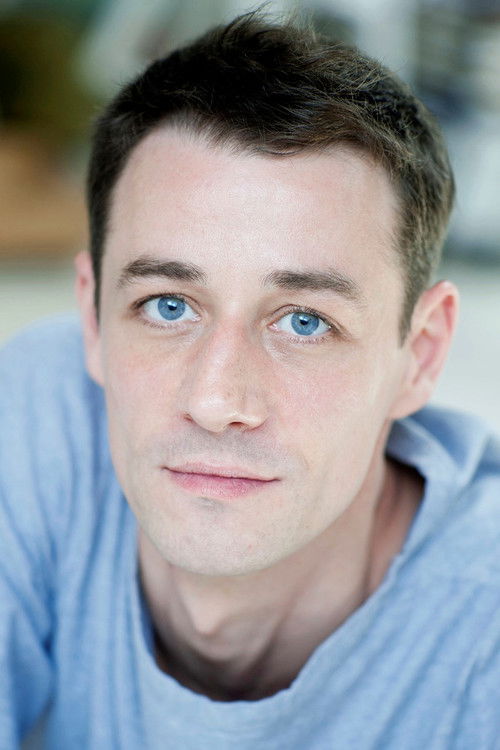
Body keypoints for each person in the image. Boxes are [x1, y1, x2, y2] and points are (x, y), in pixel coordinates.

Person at [1, 12, 499, 749]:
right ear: (94, 318)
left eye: (304, 321)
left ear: (419, 356)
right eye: (168, 306)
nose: (215, 402)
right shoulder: (38, 415)